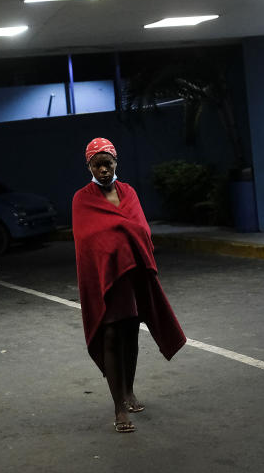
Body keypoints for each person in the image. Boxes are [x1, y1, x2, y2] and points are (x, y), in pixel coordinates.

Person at [72, 137, 186, 433]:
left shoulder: (129, 193)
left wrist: (121, 234)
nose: (103, 170)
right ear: (89, 167)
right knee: (111, 335)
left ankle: (130, 390)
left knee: (132, 333)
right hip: (106, 279)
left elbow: (140, 228)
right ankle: (119, 408)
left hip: (132, 274)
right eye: (97, 165)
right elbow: (87, 240)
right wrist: (117, 236)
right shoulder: (81, 199)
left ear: (115, 163)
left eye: (107, 164)